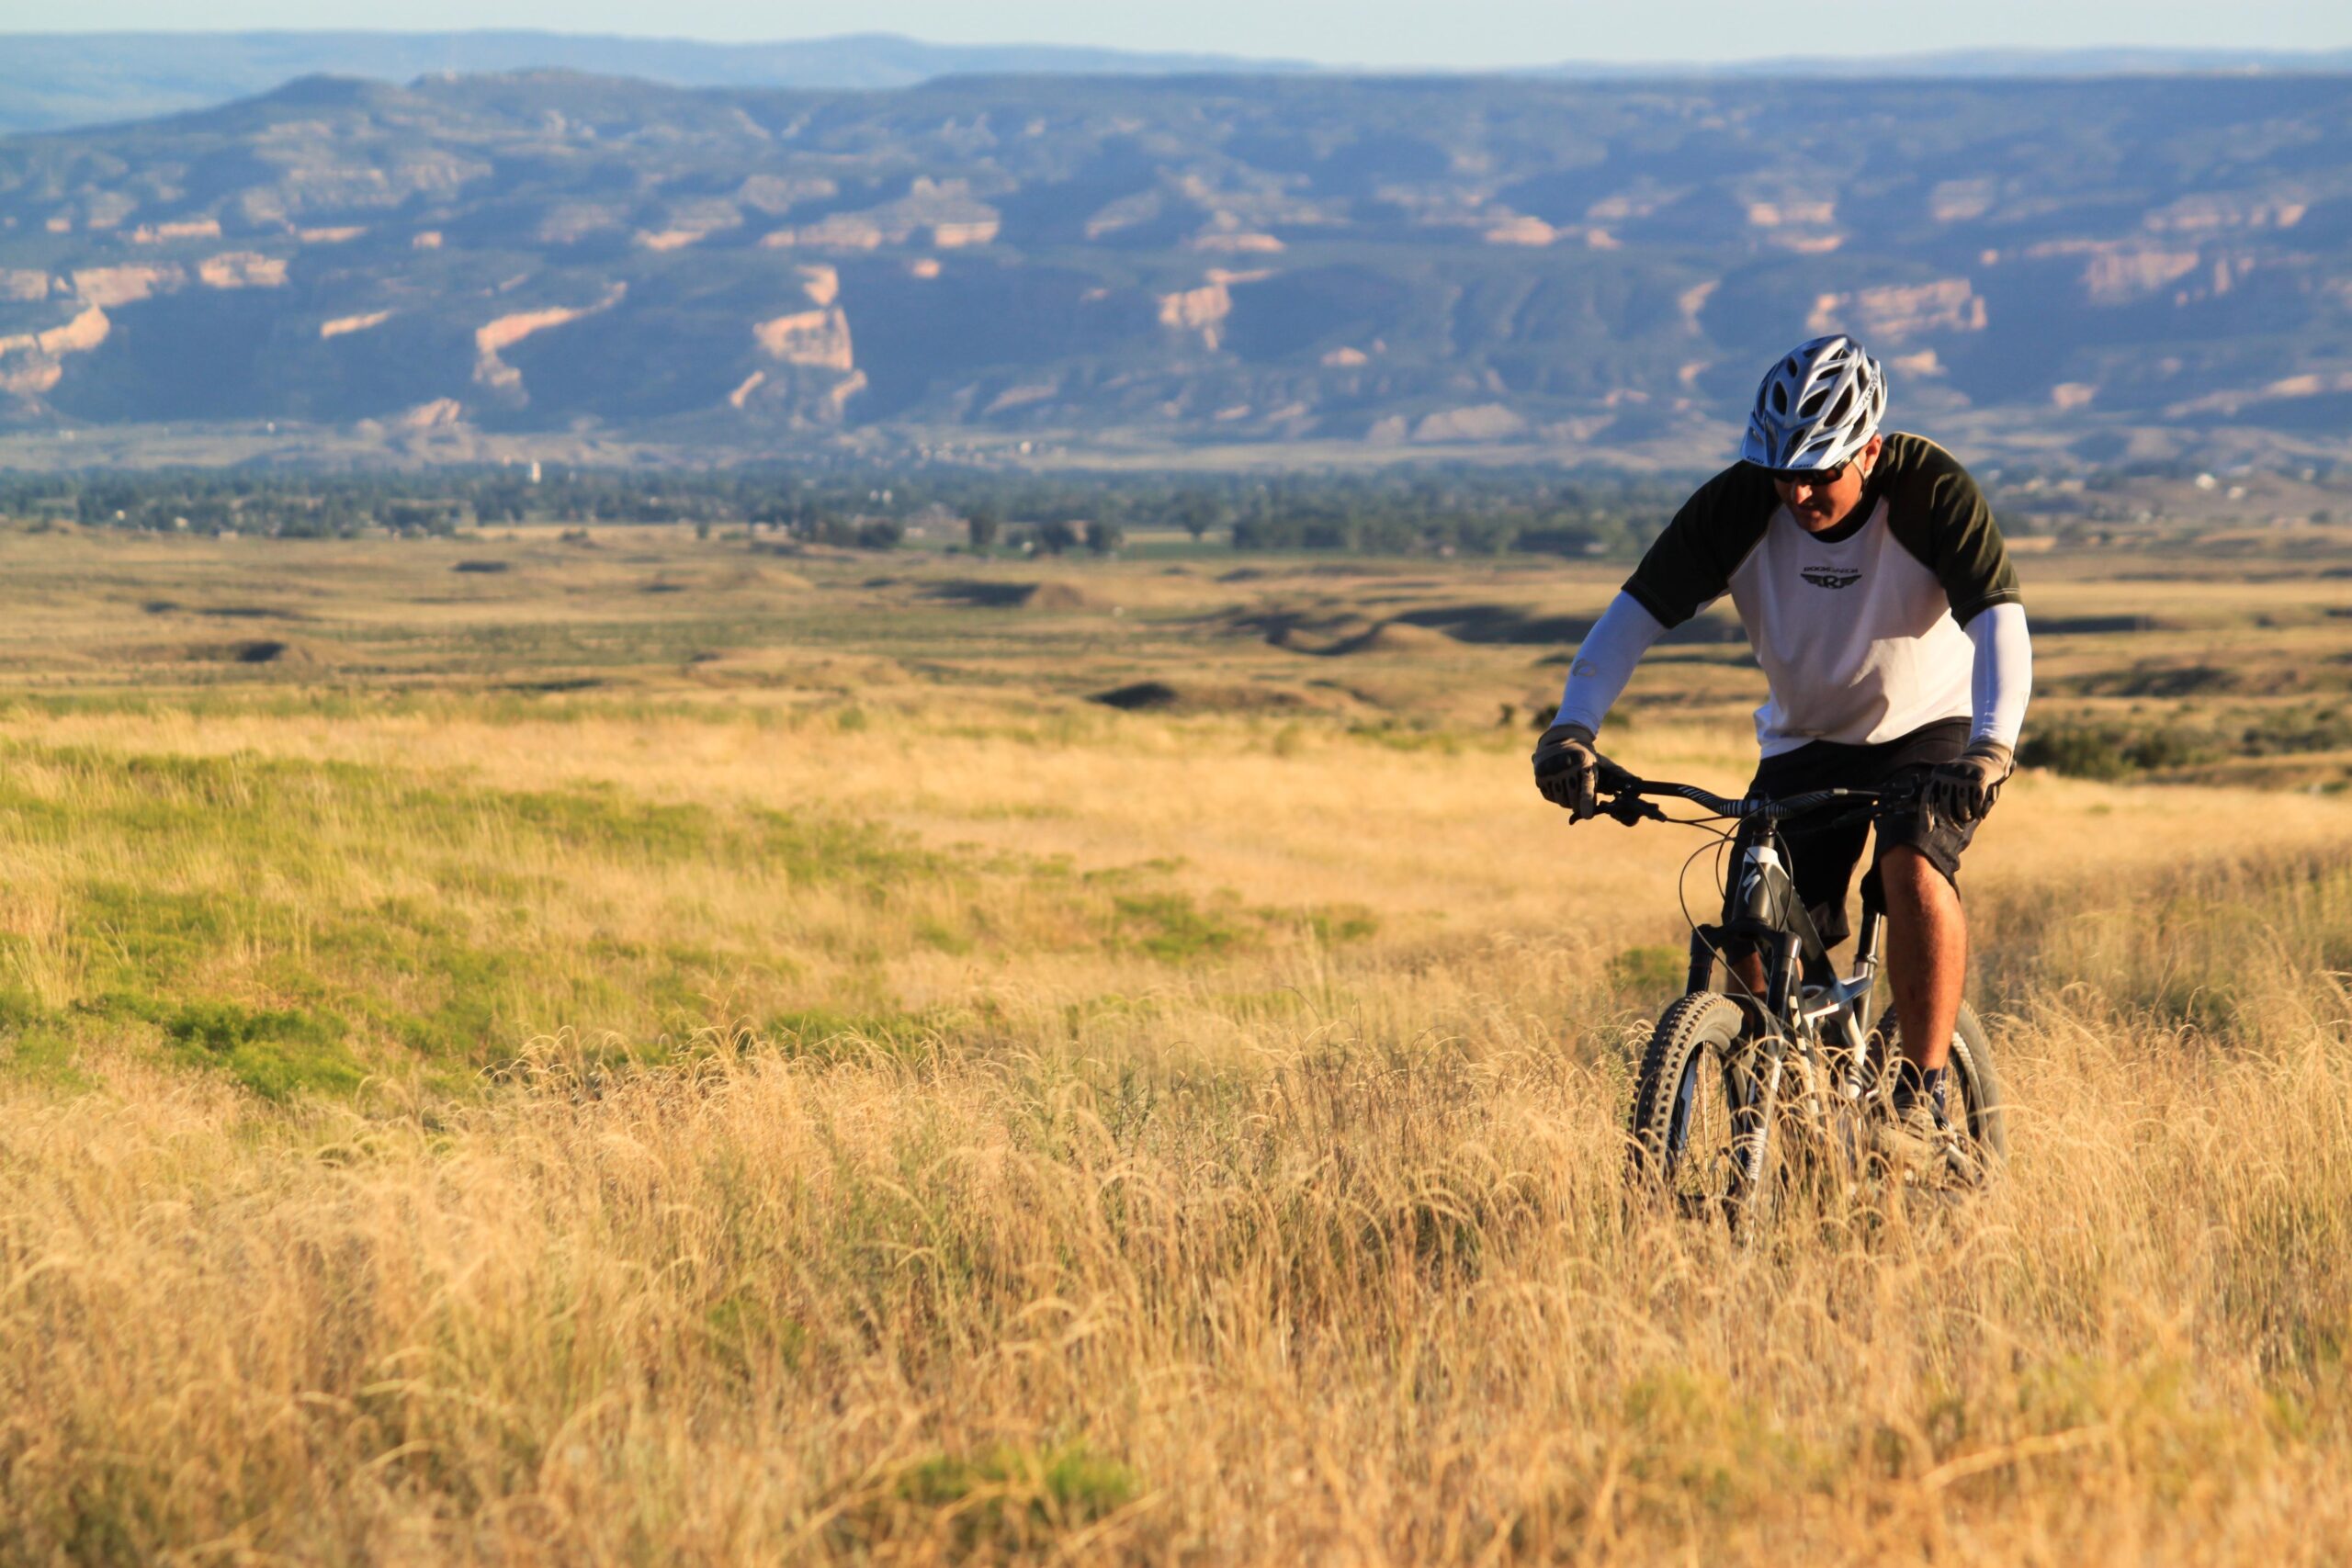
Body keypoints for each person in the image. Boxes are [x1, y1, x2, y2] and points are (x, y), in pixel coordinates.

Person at [1532, 333, 2031, 1171]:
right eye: (1782, 472)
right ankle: (1784, 1128)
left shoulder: (1930, 490)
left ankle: (1923, 1089)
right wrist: (1572, 726)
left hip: (1930, 732)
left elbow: (2000, 623)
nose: (1798, 490)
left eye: (1820, 471)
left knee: (1912, 868)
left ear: (1869, 450)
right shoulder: (1738, 505)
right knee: (1750, 930)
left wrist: (1989, 747)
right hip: (1804, 738)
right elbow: (1633, 615)